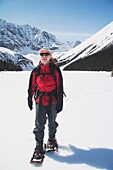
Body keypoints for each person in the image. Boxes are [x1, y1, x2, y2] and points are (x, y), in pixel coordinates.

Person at [27, 48, 64, 159]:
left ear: (50, 56)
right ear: (40, 56)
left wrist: (60, 102)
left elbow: (59, 87)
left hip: (53, 100)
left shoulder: (55, 70)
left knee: (52, 123)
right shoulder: (36, 71)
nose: (44, 56)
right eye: (42, 54)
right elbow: (32, 86)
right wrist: (29, 98)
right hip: (40, 100)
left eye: (46, 54)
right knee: (39, 124)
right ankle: (38, 147)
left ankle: (51, 140)